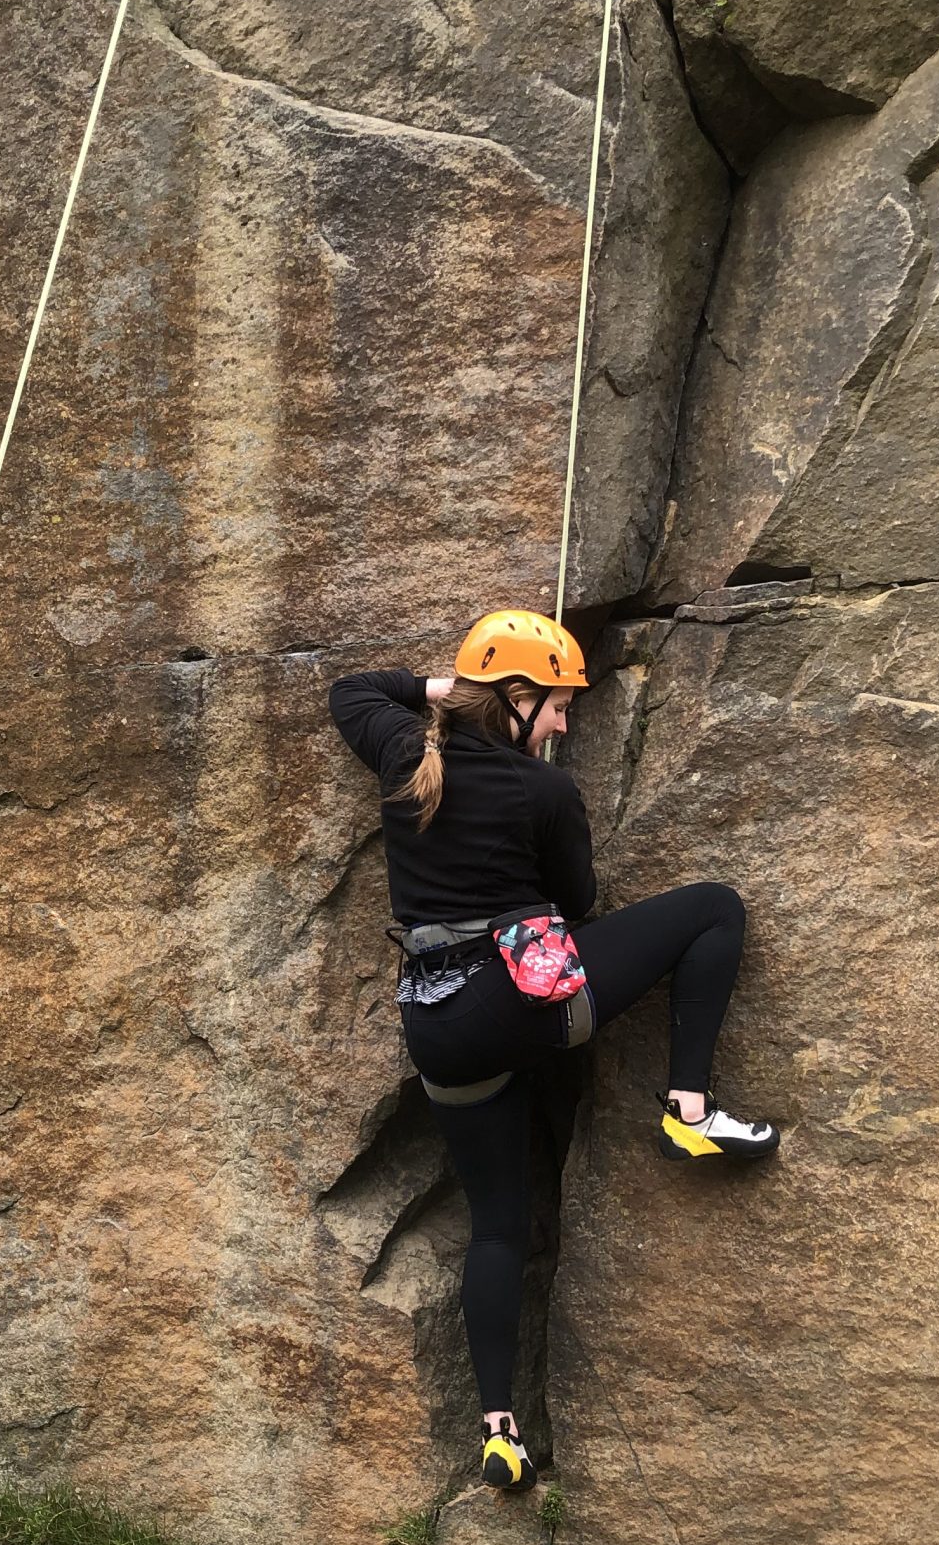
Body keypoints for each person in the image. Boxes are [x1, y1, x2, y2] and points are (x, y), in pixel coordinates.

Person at [329, 610, 777, 1497]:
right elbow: (577, 900)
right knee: (715, 907)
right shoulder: (544, 794)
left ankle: (497, 1429)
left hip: (438, 1029)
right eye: (560, 707)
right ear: (518, 699)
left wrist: (441, 694)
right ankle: (688, 1111)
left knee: (497, 1224)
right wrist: (543, 805)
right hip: (528, 1008)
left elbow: (353, 690)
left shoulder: (400, 754)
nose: (567, 725)